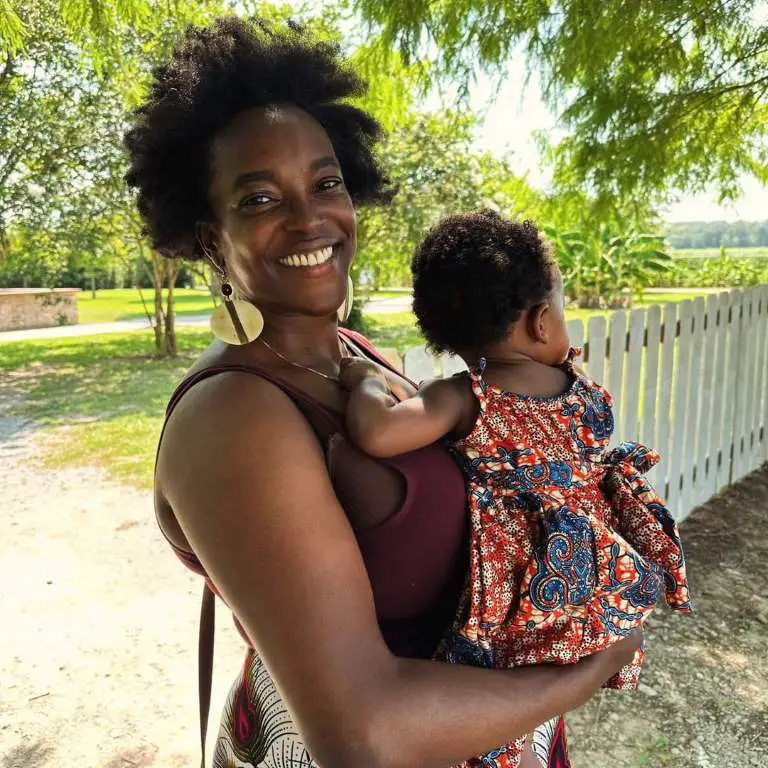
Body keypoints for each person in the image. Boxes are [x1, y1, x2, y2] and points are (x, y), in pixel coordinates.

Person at [125, 18, 644, 768]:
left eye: (326, 182)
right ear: (210, 237)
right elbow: (366, 735)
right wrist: (587, 671)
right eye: (261, 198)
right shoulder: (235, 417)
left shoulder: (350, 353)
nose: (311, 217)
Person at [340, 210, 693, 766]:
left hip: (514, 592)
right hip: (590, 576)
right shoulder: (582, 391)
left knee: (496, 695)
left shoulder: (466, 398)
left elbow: (377, 432)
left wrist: (361, 379)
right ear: (540, 323)